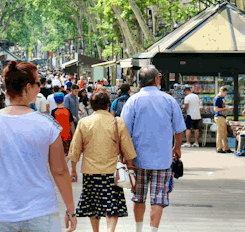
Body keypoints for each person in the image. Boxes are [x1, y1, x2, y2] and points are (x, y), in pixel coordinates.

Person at [0, 60, 77, 232]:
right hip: (41, 212)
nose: (39, 88)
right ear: (28, 88)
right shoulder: (47, 125)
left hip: (0, 214)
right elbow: (59, 171)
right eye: (38, 83)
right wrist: (71, 210)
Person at [120, 65, 186, 232]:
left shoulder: (132, 101)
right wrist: (176, 148)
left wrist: (125, 156)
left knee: (139, 197)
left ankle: (138, 229)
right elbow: (179, 129)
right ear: (157, 79)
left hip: (137, 160)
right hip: (163, 160)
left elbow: (123, 131)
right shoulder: (169, 100)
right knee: (158, 198)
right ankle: (153, 230)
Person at [70, 89, 137, 232]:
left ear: (91, 105)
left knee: (93, 206)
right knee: (112, 206)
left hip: (90, 171)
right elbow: (128, 149)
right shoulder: (117, 122)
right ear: (108, 105)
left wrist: (73, 170)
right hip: (112, 173)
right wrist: (130, 168)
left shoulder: (83, 122)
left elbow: (75, 150)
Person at [51, 93, 75, 162]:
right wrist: (73, 135)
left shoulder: (53, 112)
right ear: (63, 100)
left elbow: (52, 125)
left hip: (57, 137)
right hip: (67, 137)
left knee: (58, 155)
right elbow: (72, 124)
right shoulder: (67, 111)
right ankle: (65, 166)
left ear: (55, 101)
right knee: (66, 154)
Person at [213, 86, 234, 153]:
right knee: (220, 133)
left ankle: (226, 148)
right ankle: (219, 148)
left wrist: (226, 107)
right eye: (225, 93)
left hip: (222, 117)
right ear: (221, 91)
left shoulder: (221, 98)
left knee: (224, 133)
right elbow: (215, 109)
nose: (226, 95)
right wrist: (226, 108)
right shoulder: (217, 98)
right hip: (219, 117)